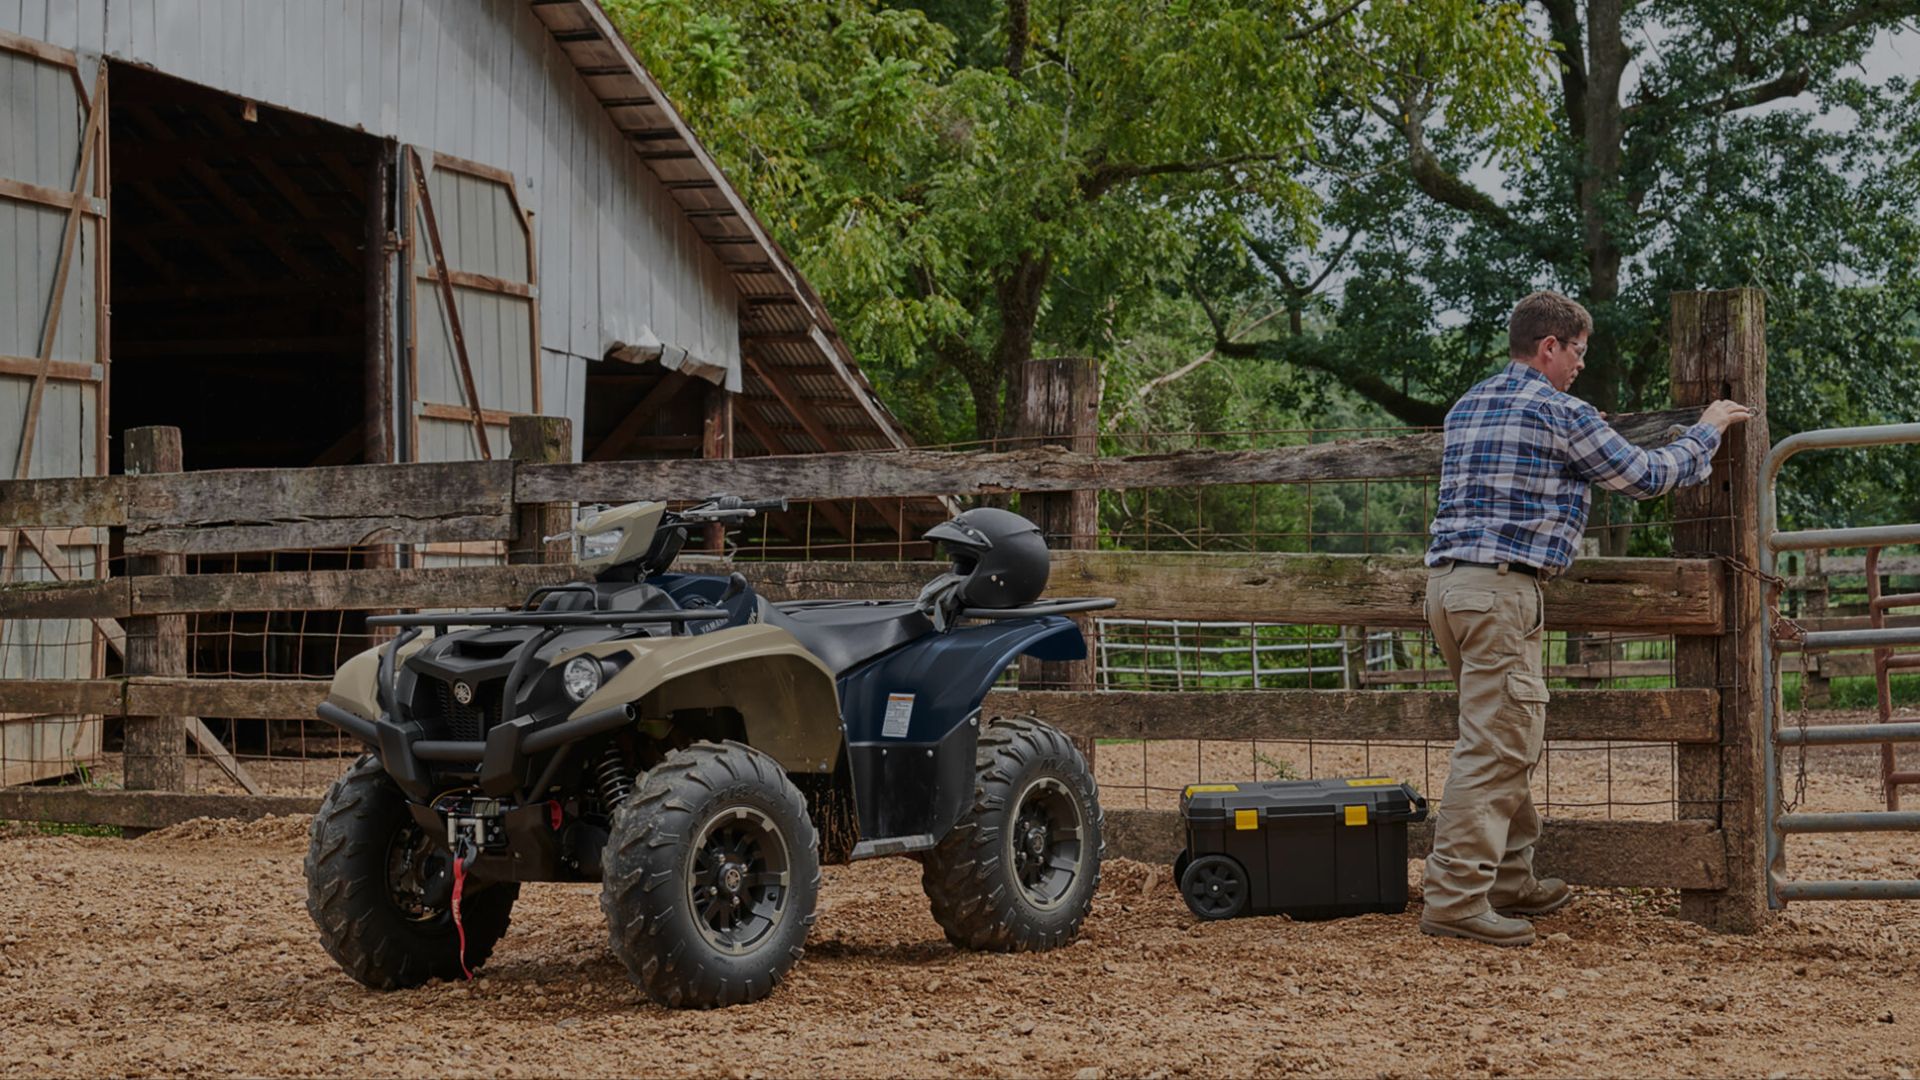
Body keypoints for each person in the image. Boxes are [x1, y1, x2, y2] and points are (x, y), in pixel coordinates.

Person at [1418, 290, 1754, 947]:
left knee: (1503, 733)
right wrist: (1707, 428)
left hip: (1449, 590)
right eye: (1577, 351)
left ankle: (1509, 880)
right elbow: (1650, 476)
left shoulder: (1472, 403)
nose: (1579, 364)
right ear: (1550, 346)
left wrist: (1582, 426)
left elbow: (1536, 463)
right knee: (1496, 744)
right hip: (1501, 594)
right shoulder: (1559, 410)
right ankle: (1456, 899)